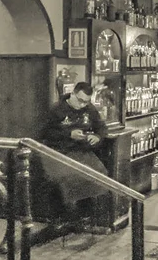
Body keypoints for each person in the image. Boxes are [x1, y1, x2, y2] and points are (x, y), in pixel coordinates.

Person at [40, 82, 109, 224]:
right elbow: (45, 132)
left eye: (86, 102)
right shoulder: (56, 109)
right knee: (66, 177)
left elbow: (101, 127)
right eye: (80, 100)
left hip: (81, 151)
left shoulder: (89, 109)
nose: (82, 105)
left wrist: (97, 136)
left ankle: (86, 214)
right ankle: (64, 217)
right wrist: (68, 134)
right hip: (59, 151)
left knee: (99, 172)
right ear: (72, 94)